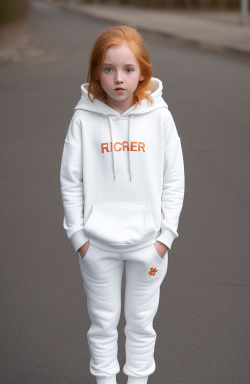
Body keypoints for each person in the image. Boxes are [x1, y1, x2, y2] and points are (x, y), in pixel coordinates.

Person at [60, 25, 185, 384]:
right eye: (108, 69)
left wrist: (165, 238)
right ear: (96, 73)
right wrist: (79, 238)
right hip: (96, 245)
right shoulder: (83, 118)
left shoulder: (159, 117)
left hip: (148, 245)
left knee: (141, 323)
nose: (118, 79)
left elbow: (173, 179)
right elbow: (71, 180)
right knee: (103, 323)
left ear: (143, 72)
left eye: (128, 69)